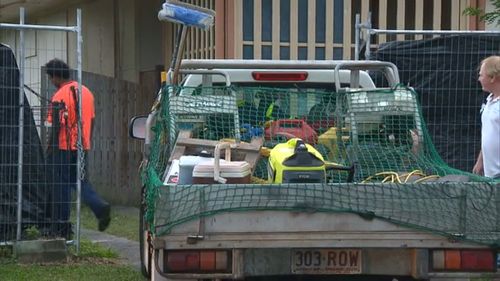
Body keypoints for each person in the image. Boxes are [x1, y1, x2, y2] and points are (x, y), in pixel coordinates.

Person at [45, 58, 111, 231]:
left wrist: (49, 149)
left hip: (62, 147)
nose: (51, 82)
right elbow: (92, 120)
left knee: (61, 186)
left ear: (55, 76)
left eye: (51, 78)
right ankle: (99, 205)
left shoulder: (59, 95)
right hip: (82, 146)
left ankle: (61, 225)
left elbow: (54, 127)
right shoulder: (86, 92)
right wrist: (85, 140)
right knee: (80, 180)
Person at [472, 55, 500, 179]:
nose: (479, 79)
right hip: (491, 175)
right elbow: (489, 134)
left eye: (481, 75)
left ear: (493, 77)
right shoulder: (489, 100)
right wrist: (480, 160)